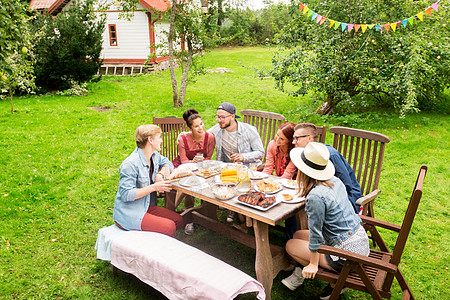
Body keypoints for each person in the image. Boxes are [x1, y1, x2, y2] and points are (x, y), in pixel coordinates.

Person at [281, 143, 369, 299]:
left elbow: (315, 233)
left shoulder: (316, 196)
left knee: (290, 245)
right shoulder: (334, 180)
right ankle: (302, 272)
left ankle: (337, 283)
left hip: (347, 258)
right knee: (298, 235)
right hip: (359, 243)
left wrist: (313, 264)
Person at [113, 124, 183, 237]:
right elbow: (126, 195)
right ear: (150, 140)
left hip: (144, 205)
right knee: (169, 227)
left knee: (178, 220)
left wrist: (160, 173)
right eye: (159, 137)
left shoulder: (154, 155)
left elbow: (168, 163)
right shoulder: (130, 164)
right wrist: (154, 187)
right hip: (129, 212)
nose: (161, 141)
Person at [208, 102, 265, 225]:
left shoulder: (249, 130)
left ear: (233, 116)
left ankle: (236, 211)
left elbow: (260, 152)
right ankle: (226, 206)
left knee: (240, 180)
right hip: (227, 167)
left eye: (222, 117)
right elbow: (203, 136)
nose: (219, 120)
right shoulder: (218, 129)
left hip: (249, 167)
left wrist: (242, 156)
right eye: (217, 116)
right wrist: (184, 135)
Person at [286, 123, 363, 213]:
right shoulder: (307, 154)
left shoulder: (329, 155)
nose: (293, 142)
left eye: (296, 138)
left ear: (309, 138)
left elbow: (346, 186)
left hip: (346, 200)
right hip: (321, 193)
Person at [172, 109, 215, 235]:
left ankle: (201, 212)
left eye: (201, 124)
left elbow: (208, 158)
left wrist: (199, 163)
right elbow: (184, 160)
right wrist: (193, 162)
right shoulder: (183, 139)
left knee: (197, 179)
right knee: (188, 181)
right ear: (190, 128)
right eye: (196, 126)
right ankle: (177, 213)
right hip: (183, 166)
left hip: (202, 167)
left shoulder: (210, 137)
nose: (200, 127)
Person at [261, 122, 298, 240]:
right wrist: (261, 183)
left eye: (281, 138)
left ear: (290, 140)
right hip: (277, 180)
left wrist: (272, 187)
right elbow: (268, 167)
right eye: (277, 135)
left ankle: (291, 238)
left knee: (289, 208)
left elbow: (288, 175)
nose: (277, 139)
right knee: (259, 193)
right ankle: (260, 227)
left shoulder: (295, 152)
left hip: (293, 185)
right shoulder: (272, 145)